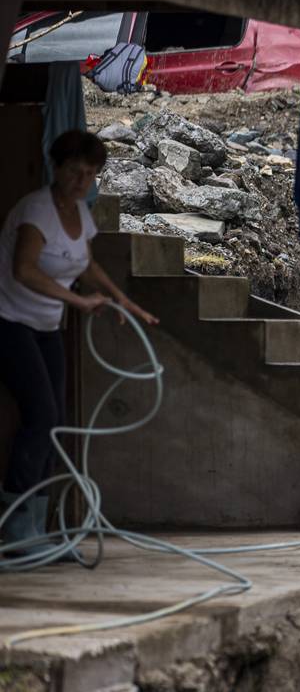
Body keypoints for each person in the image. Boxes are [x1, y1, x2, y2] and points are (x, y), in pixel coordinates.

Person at [0, 129, 157, 548]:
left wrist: (124, 301)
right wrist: (78, 301)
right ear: (56, 168)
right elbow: (24, 270)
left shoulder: (80, 213)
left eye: (89, 174)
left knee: (56, 422)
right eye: (74, 171)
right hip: (10, 322)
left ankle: (37, 525)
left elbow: (86, 266)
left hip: (47, 326)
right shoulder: (37, 210)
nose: (81, 180)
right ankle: (16, 522)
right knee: (41, 416)